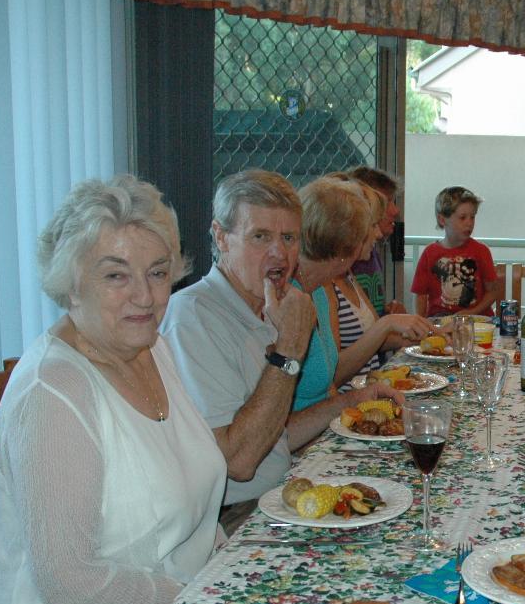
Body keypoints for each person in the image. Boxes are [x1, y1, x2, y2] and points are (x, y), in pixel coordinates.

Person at [0, 175, 229, 604]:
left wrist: (223, 581)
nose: (144, 295)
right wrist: (203, 602)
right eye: (115, 274)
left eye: (159, 272)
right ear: (70, 283)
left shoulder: (152, 348)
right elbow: (68, 581)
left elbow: (194, 484)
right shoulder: (56, 392)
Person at [160, 169, 399, 526]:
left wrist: (352, 402)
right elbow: (240, 463)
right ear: (221, 237)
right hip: (231, 518)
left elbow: (275, 438)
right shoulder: (193, 317)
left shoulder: (264, 305)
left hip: (281, 493)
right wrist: (288, 349)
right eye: (260, 236)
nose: (280, 253)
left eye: (288, 238)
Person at [294, 176, 435, 401]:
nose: (378, 234)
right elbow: (332, 378)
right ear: (344, 240)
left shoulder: (320, 290)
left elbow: (327, 387)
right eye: (371, 226)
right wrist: (387, 324)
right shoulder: (310, 291)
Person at [411, 185, 499, 317]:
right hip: (440, 321)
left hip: (476, 321)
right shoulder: (430, 253)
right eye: (462, 217)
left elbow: (492, 291)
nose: (469, 223)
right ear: (442, 220)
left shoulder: (481, 251)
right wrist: (421, 323)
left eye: (472, 217)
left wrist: (470, 313)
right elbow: (420, 295)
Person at [348, 166, 407, 315]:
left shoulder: (371, 252)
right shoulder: (346, 260)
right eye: (387, 202)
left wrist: (388, 311)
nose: (396, 211)